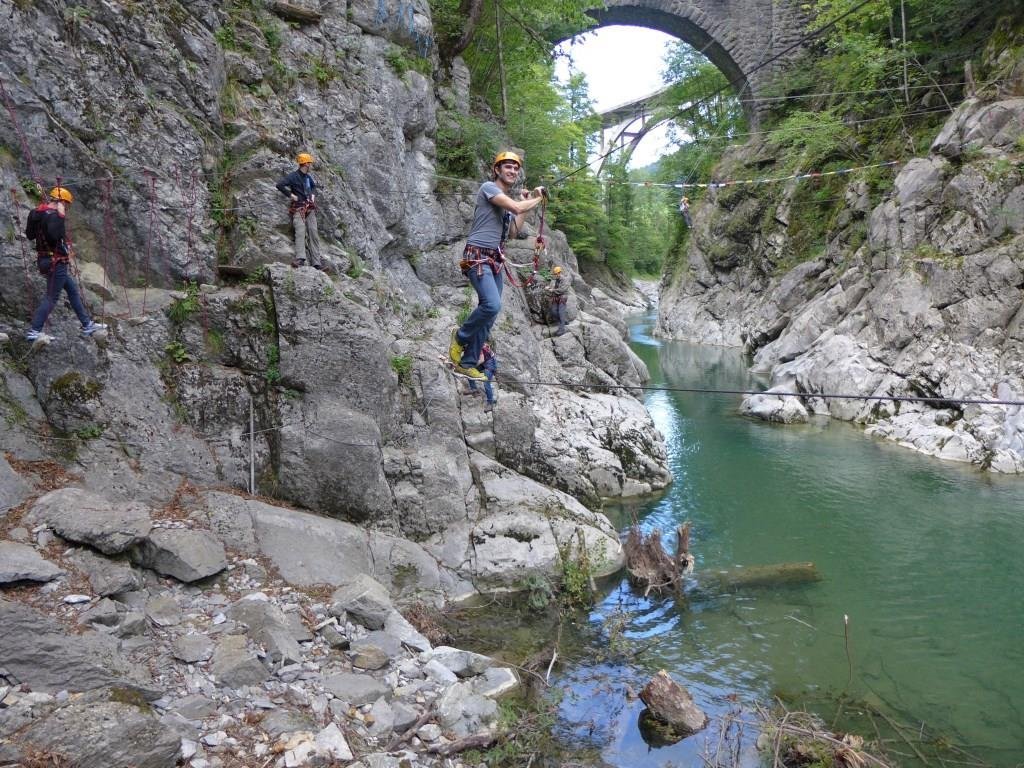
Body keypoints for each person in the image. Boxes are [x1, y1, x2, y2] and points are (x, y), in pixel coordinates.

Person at [448, 151, 546, 380]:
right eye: (508, 167)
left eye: (515, 168)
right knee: (491, 305)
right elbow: (518, 208)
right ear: (497, 170)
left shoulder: (506, 204)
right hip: (478, 256)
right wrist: (536, 198)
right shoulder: (488, 189)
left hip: (494, 260)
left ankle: (468, 362)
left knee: (490, 314)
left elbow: (513, 232)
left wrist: (525, 202)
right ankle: (460, 337)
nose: (512, 171)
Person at [24, 186, 106, 344]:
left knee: (72, 290)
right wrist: (60, 215)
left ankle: (87, 324)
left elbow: (29, 235)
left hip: (45, 260)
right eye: (66, 205)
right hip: (56, 262)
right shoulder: (56, 216)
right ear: (62, 202)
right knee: (51, 297)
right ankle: (34, 331)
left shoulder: (36, 213)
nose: (67, 209)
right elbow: (55, 235)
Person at [276, 152, 323, 269]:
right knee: (300, 232)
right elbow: (280, 185)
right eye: (309, 163)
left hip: (309, 208)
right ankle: (300, 259)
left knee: (313, 233)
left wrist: (312, 195)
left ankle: (317, 263)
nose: (310, 165)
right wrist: (291, 195)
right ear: (305, 164)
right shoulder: (293, 176)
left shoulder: (308, 178)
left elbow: (313, 187)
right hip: (299, 208)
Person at [467, 342, 498, 411]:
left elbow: (481, 360)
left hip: (490, 364)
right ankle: (474, 389)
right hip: (485, 362)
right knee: (469, 372)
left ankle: (490, 403)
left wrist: (473, 366)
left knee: (486, 383)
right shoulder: (476, 342)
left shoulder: (478, 345)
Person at [546, 265, 570, 336]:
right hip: (556, 298)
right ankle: (564, 321)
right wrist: (548, 287)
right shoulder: (555, 280)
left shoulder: (565, 280)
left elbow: (562, 290)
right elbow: (552, 286)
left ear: (560, 273)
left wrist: (552, 290)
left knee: (561, 312)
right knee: (553, 311)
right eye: (555, 274)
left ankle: (562, 329)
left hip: (562, 297)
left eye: (557, 273)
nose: (556, 275)